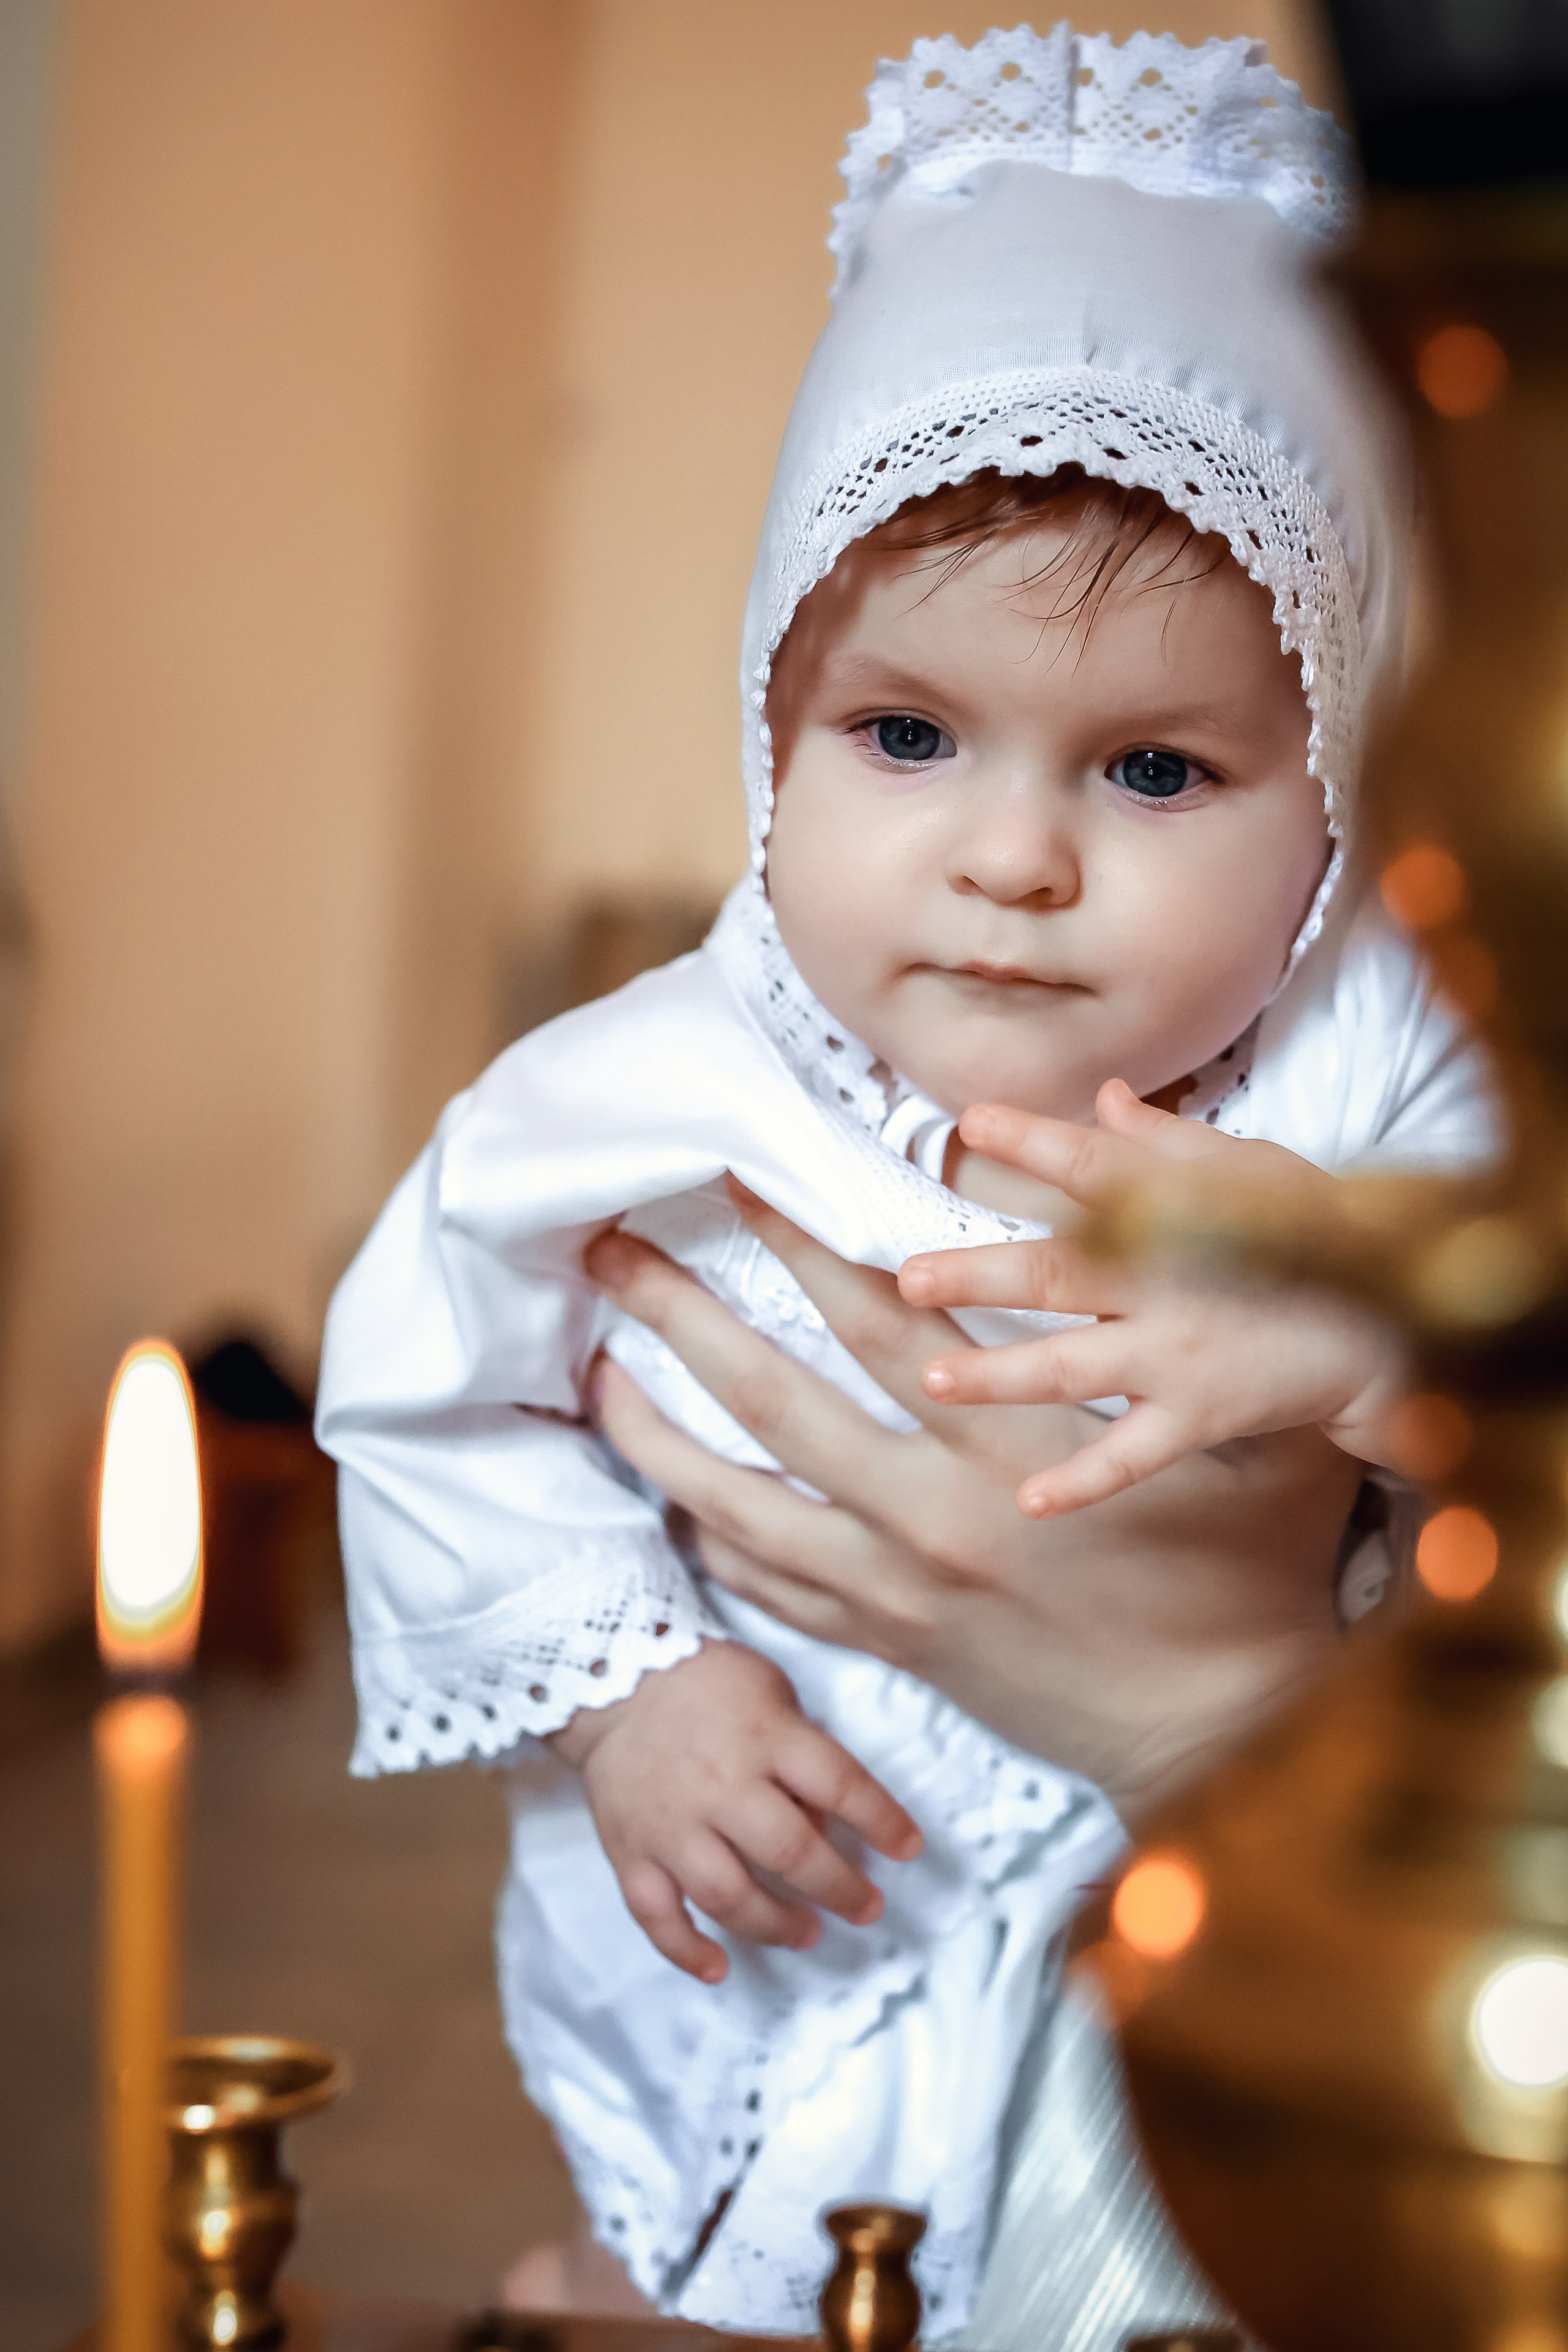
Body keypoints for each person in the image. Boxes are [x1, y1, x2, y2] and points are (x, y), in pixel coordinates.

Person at [315, 23, 1499, 2345]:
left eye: (1158, 767)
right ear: (772, 722)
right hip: (780, 1878)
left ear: (1334, 786)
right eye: (906, 737)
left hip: (1192, 1902)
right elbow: (425, 1384)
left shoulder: (1384, 1062)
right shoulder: (644, 1087)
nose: (1015, 856)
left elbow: (1512, 1319)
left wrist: (1344, 1342)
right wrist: (627, 1691)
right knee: (731, 2265)